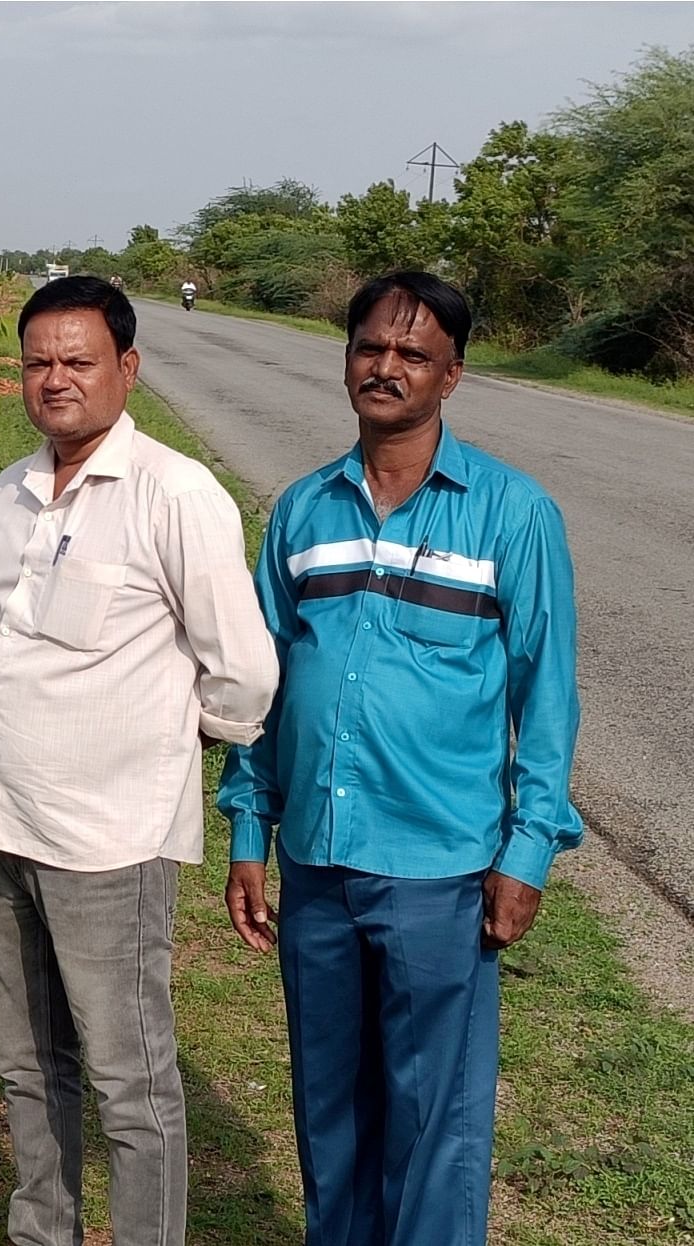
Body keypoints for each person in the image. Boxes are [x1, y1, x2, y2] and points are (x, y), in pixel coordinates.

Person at [219, 271, 582, 1246]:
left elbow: (545, 696)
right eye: (369, 348)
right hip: (318, 863)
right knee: (328, 1112)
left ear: (451, 375)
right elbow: (260, 687)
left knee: (434, 1126)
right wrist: (249, 829)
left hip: (441, 870)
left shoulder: (511, 514)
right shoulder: (302, 513)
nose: (385, 367)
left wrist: (527, 852)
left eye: (412, 354)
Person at [0, 276, 279, 1246]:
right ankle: (44, 1230)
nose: (54, 380)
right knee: (27, 1059)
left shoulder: (175, 493)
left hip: (108, 842)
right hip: (2, 824)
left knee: (130, 1081)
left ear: (126, 367)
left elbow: (243, 671)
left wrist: (177, 734)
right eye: (37, 361)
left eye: (77, 360)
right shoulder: (9, 493)